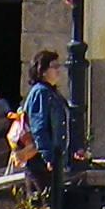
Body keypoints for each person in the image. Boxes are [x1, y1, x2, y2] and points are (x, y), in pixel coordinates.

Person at [21, 48, 73, 190]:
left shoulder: (52, 92)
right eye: (54, 67)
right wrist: (48, 157)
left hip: (52, 159)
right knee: (46, 206)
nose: (58, 70)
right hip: (40, 164)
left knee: (54, 206)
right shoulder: (41, 92)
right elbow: (39, 128)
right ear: (42, 71)